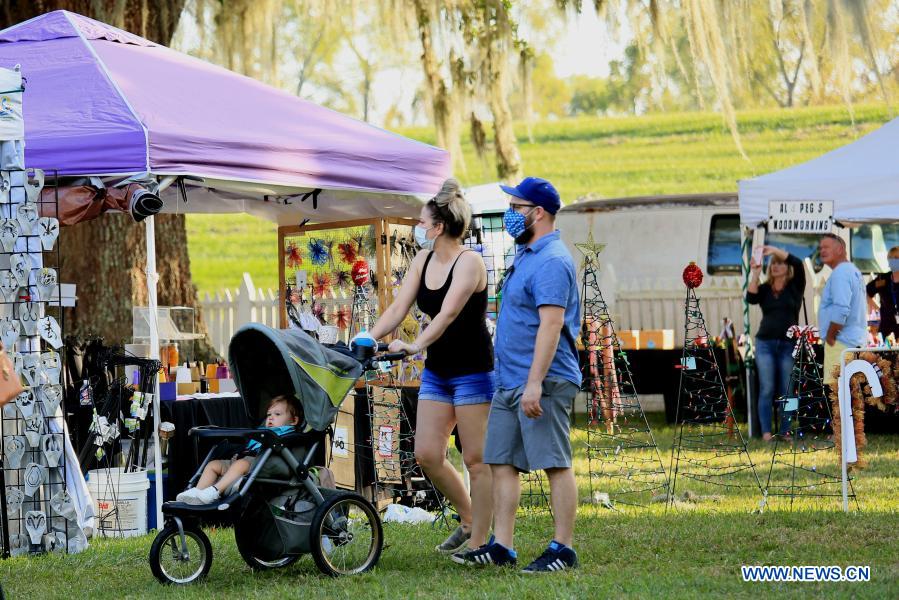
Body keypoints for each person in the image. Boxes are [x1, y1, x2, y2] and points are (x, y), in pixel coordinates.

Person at [453, 176, 581, 573]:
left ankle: (563, 549)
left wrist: (535, 383)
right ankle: (502, 546)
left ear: (537, 213)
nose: (511, 214)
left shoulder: (553, 261)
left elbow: (550, 326)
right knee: (502, 461)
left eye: (516, 207)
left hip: (542, 381)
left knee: (554, 462)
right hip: (509, 381)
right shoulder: (525, 254)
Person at [363, 178, 494, 555]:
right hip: (439, 371)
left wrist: (416, 345)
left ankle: (482, 542)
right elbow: (397, 307)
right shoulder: (422, 259)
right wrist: (369, 338)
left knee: (475, 459)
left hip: (473, 371)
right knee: (427, 454)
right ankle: (469, 519)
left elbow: (449, 313)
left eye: (422, 223)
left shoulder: (469, 263)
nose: (418, 228)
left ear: (439, 228)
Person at [176, 395, 302, 505]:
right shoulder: (262, 430)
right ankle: (198, 493)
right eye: (269, 414)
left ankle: (214, 491)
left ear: (294, 420)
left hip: (261, 463)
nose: (270, 418)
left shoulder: (288, 434)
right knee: (213, 465)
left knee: (241, 464)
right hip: (241, 460)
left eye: (277, 414)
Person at [746, 245, 806, 440]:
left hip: (788, 344)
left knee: (787, 389)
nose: (775, 266)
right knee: (767, 388)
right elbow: (751, 298)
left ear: (786, 267)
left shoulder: (795, 286)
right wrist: (755, 273)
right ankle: (765, 432)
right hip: (765, 343)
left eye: (780, 263)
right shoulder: (764, 288)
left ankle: (786, 430)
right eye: (773, 264)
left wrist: (773, 250)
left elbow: (797, 262)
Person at [818, 233, 867, 387]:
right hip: (854, 342)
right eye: (821, 248)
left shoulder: (840, 273)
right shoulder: (853, 271)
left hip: (840, 344)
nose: (822, 251)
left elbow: (841, 309)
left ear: (840, 249)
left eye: (826, 247)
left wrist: (831, 336)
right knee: (852, 399)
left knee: (838, 399)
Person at [865, 245, 899, 342]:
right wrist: (877, 307)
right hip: (887, 327)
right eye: (891, 258)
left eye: (896, 258)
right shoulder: (883, 279)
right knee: (887, 356)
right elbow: (866, 291)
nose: (894, 261)